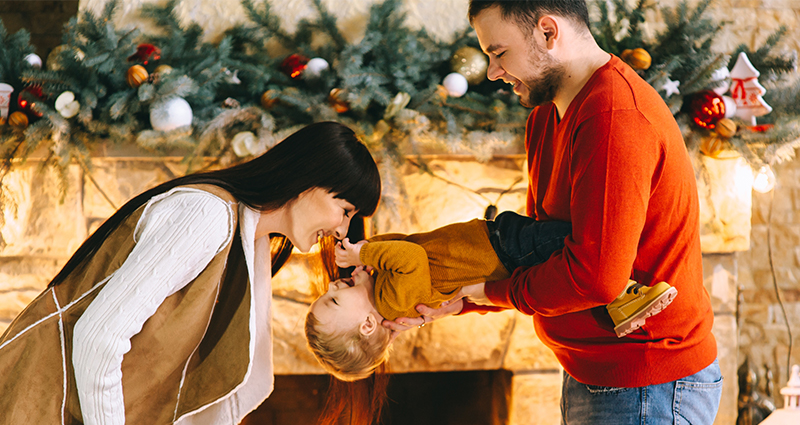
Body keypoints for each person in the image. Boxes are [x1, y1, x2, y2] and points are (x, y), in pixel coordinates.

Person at [384, 1, 722, 424]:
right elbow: (542, 251)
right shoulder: (546, 115)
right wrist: (461, 299)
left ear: (547, 32)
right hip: (594, 374)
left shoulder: (615, 117)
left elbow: (596, 276)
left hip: (644, 384)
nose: (492, 72)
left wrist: (491, 294)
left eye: (499, 53)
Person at [0, 122, 381, 425]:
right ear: (309, 178)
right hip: (38, 401)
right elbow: (98, 338)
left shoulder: (250, 241)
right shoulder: (207, 216)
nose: (342, 232)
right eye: (345, 209)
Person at [305, 212, 676, 381]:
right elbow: (412, 257)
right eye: (334, 300)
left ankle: (620, 295)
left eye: (328, 292)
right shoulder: (393, 301)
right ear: (368, 324)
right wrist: (363, 255)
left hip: (496, 245)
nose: (334, 286)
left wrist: (367, 259)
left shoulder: (386, 289)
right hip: (501, 252)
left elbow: (403, 245)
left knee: (566, 249)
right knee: (573, 243)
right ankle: (627, 288)